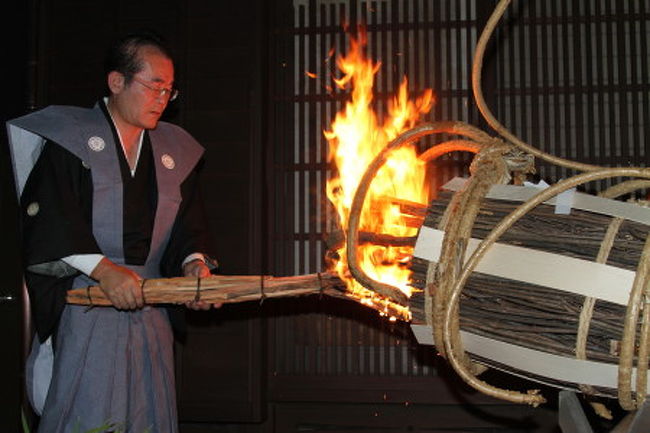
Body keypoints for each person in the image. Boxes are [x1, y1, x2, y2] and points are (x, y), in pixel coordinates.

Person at [7, 32, 216, 432]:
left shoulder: (175, 152)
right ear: (116, 82)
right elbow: (51, 216)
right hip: (89, 305)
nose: (162, 98)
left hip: (152, 308)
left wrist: (195, 268)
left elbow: (190, 227)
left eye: (169, 91)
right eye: (154, 86)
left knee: (149, 412)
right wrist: (104, 270)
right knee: (92, 407)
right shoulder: (71, 138)